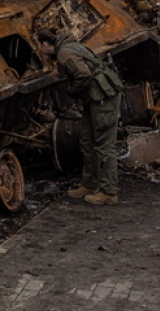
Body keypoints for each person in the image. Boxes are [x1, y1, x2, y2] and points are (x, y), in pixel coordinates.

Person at [36, 28, 124, 206]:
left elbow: (84, 75)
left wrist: (71, 91)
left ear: (45, 44)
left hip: (103, 99)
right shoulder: (71, 46)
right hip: (95, 99)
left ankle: (108, 192)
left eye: (39, 46)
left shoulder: (64, 52)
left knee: (104, 146)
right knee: (87, 141)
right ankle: (90, 184)